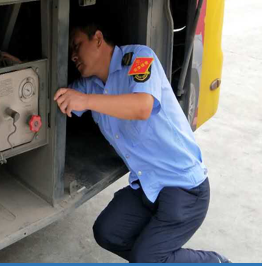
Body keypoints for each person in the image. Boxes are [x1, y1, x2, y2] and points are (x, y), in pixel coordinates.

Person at [54, 22, 230, 263]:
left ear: (97, 38)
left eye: (77, 45)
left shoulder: (138, 58)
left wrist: (86, 101)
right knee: (107, 232)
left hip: (183, 188)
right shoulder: (89, 86)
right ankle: (152, 258)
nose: (73, 55)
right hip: (148, 187)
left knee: (146, 258)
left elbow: (142, 106)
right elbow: (59, 99)